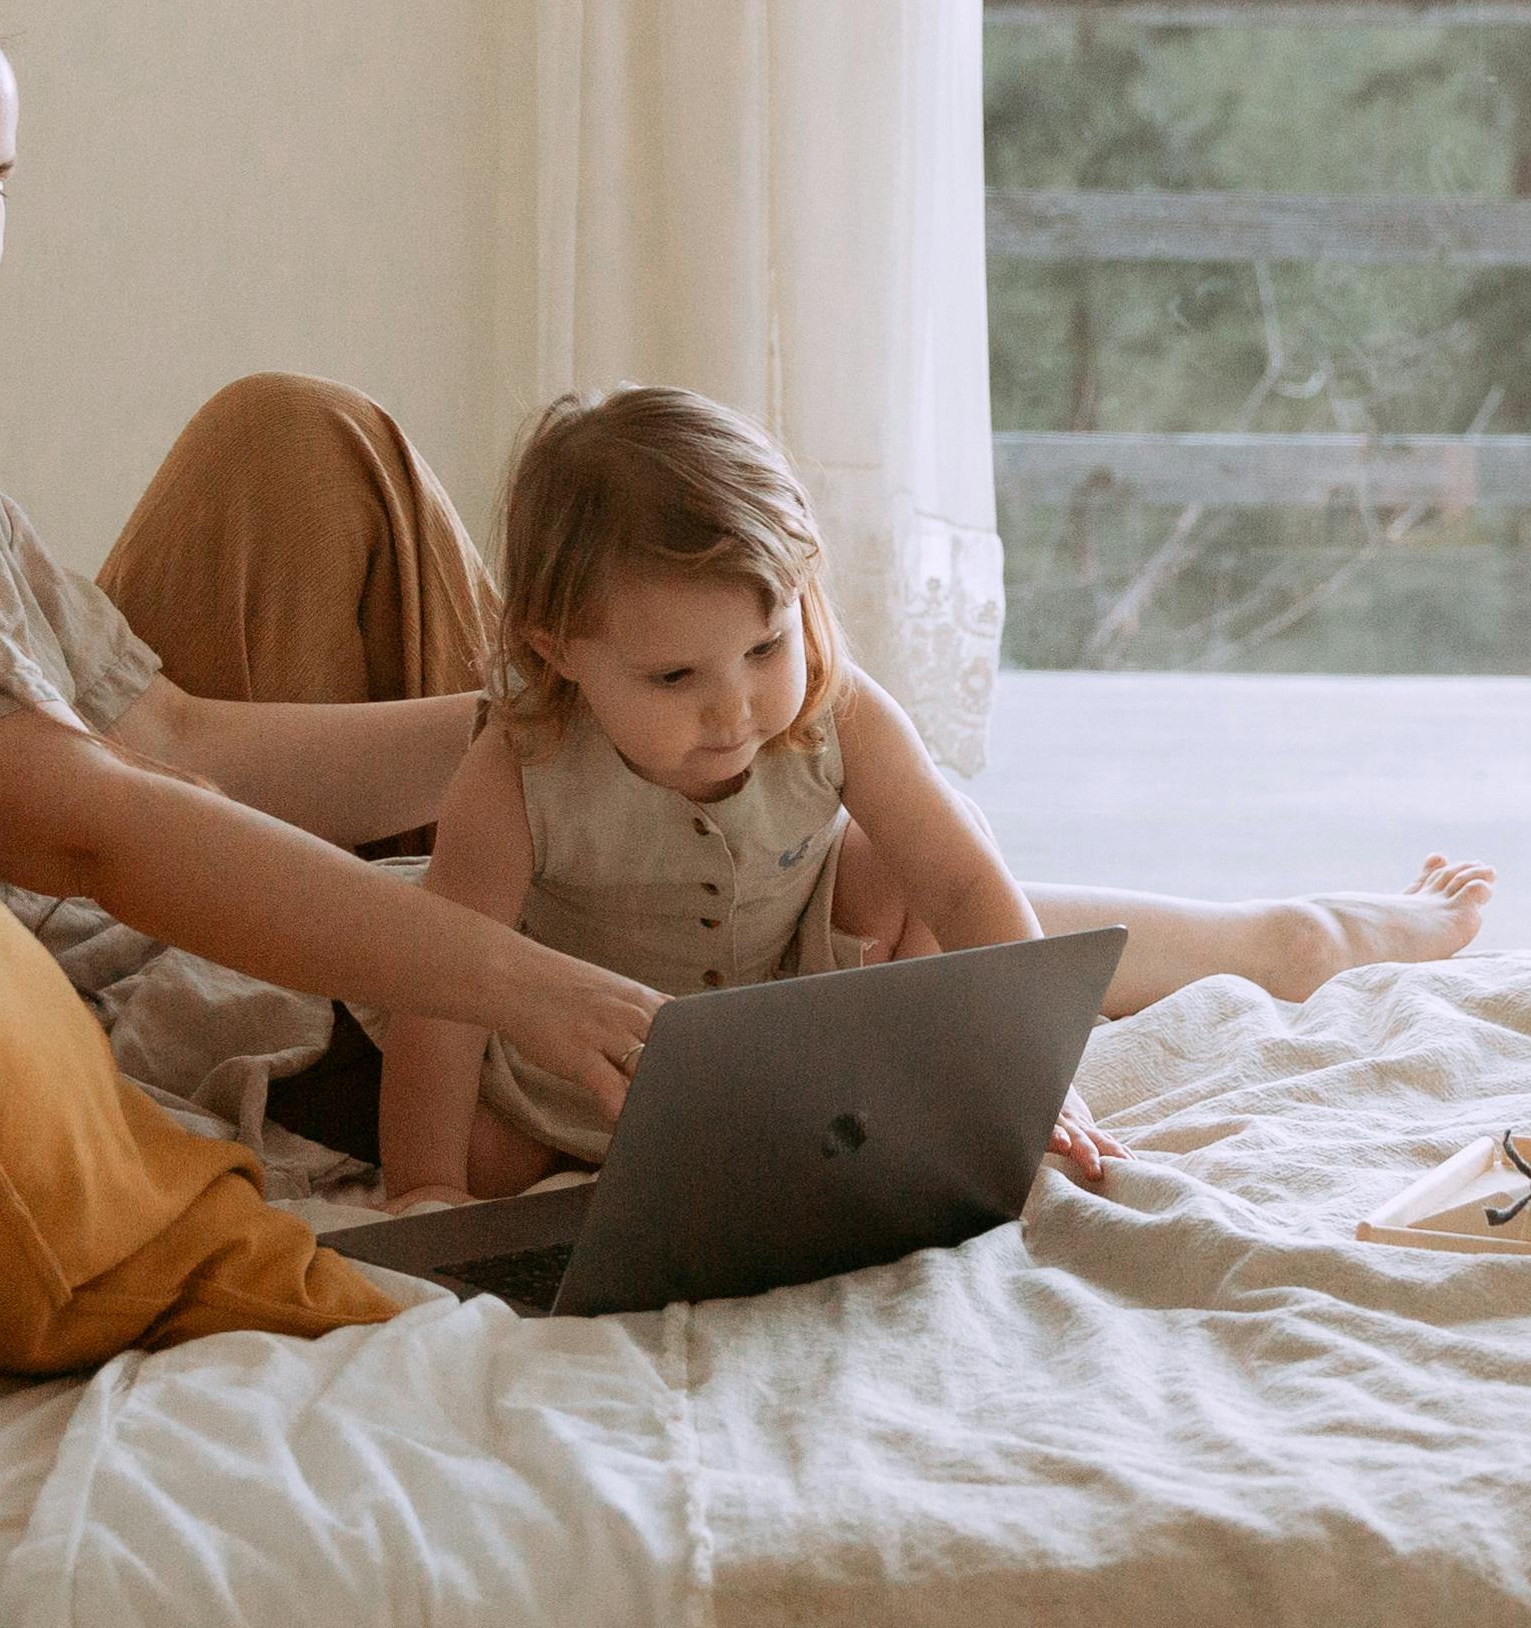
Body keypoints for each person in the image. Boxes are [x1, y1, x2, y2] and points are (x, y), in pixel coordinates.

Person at [0, 0, 1490, 1173]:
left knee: (724, 762)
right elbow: (79, 812)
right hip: (199, 987)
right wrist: (504, 962)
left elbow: (157, 734)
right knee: (761, 863)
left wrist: (592, 706)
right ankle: (1279, 940)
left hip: (216, 845)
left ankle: (1256, 927)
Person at [384, 384, 1111, 1202]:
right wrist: (423, 1189)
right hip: (585, 1066)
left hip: (786, 1015)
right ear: (559, 651)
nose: (734, 710)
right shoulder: (516, 772)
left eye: (767, 646)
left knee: (931, 840)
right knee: (484, 1161)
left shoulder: (840, 713)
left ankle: (899, 1078)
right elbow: (439, 997)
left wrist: (1039, 1073)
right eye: (673, 676)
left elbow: (964, 882)